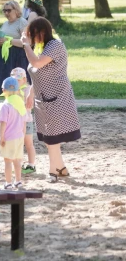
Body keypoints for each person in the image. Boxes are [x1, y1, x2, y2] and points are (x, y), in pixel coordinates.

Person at [21, 18, 80, 183]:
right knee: (48, 137)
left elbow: (37, 64)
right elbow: (38, 73)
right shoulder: (42, 47)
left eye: (33, 34)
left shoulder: (55, 45)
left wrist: (26, 45)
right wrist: (31, 92)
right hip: (43, 99)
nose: (31, 38)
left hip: (57, 97)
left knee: (52, 137)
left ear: (42, 32)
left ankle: (54, 171)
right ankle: (60, 168)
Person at [0, 77, 27, 190]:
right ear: (18, 90)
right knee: (17, 160)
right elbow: (24, 122)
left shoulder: (5, 105)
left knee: (8, 161)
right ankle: (18, 181)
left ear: (4, 90)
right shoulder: (20, 104)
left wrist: (1, 136)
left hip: (9, 137)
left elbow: (3, 124)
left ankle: (8, 182)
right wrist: (23, 135)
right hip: (19, 136)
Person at [0, 0, 29, 93]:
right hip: (4, 58)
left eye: (8, 10)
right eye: (4, 11)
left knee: (17, 81)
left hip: (17, 57)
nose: (6, 13)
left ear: (16, 10)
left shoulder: (22, 22)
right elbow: (0, 38)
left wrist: (9, 41)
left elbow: (25, 42)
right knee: (5, 80)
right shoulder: (5, 23)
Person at [11, 67, 37, 174]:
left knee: (29, 144)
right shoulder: (12, 91)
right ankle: (19, 165)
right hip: (16, 122)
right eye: (13, 80)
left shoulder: (27, 90)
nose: (16, 83)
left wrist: (31, 95)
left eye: (18, 80)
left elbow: (35, 87)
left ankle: (31, 165)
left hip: (27, 121)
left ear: (24, 80)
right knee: (18, 144)